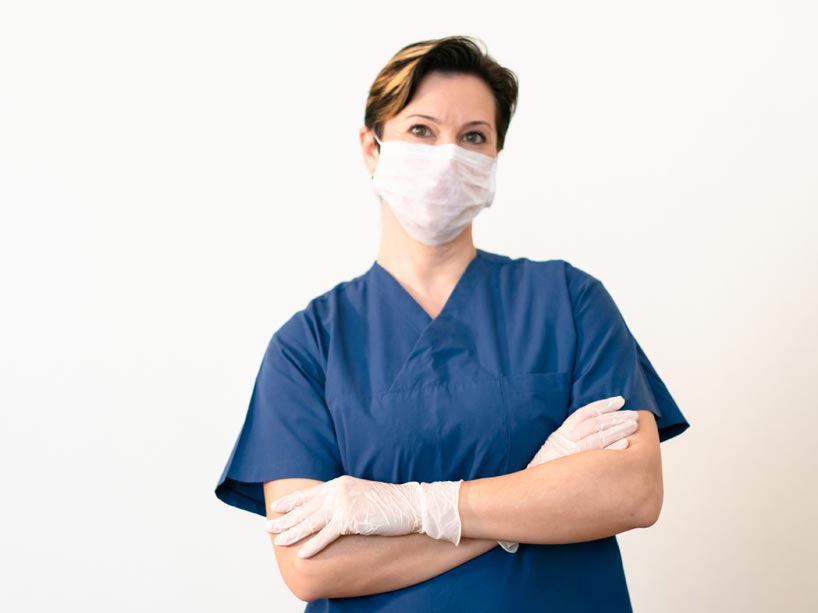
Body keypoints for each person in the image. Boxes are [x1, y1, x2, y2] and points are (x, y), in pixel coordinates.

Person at [214, 35, 690, 611]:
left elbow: (632, 491)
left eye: (473, 137)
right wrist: (536, 492)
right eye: (421, 130)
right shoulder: (309, 346)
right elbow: (312, 566)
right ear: (371, 148)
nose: (448, 155)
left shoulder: (569, 302)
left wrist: (415, 509)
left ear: (494, 158)